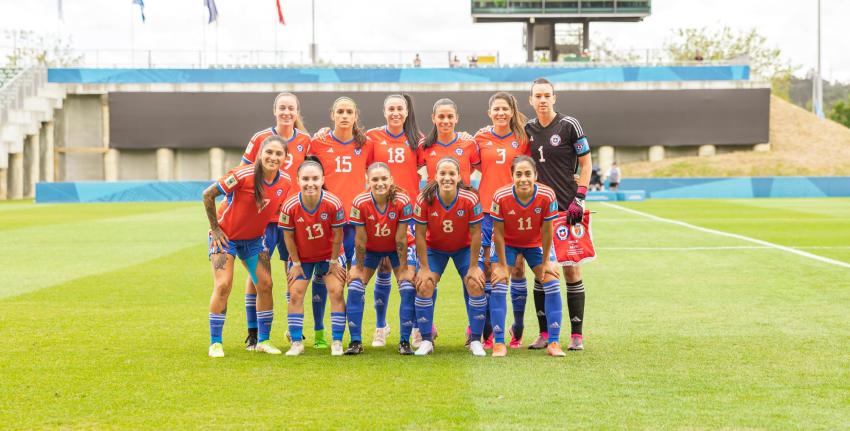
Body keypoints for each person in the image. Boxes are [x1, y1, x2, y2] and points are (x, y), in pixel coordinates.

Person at [239, 92, 323, 350]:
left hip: (293, 219)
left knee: (293, 272)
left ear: (297, 112)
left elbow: (314, 172)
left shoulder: (306, 141)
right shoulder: (260, 138)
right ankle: (253, 333)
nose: (287, 112)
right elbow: (243, 171)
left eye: (291, 108)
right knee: (257, 276)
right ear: (275, 110)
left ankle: (292, 328)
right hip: (263, 221)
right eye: (282, 108)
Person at [202, 136, 292, 357]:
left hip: (253, 240)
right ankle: (215, 343)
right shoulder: (242, 175)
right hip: (226, 238)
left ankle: (263, 340)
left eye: (278, 153)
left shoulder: (286, 182)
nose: (273, 157)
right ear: (260, 153)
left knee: (265, 283)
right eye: (269, 152)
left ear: (285, 158)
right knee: (223, 285)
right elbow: (208, 194)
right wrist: (215, 229)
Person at [525, 77, 593, 351]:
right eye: (537, 96)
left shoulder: (569, 125)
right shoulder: (526, 129)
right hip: (536, 211)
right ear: (530, 100)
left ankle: (576, 334)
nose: (542, 100)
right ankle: (544, 334)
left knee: (571, 270)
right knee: (541, 270)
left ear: (554, 98)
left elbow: (586, 163)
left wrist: (580, 198)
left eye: (547, 95)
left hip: (567, 207)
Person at [489, 156, 565, 357]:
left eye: (528, 174)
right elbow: (497, 233)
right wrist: (502, 265)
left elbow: (548, 231)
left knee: (552, 280)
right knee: (499, 281)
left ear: (536, 176)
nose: (523, 179)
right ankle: (498, 342)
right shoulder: (501, 196)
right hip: (508, 244)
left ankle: (554, 342)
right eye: (519, 174)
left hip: (536, 244)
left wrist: (548, 260)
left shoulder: (547, 195)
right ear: (512, 176)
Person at [364, 94, 422, 347]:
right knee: (383, 266)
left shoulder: (418, 140)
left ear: (407, 112)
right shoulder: (372, 138)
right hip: (380, 211)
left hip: (408, 212)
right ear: (384, 111)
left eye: (400, 109)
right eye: (391, 109)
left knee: (410, 270)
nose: (396, 113)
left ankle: (417, 327)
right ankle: (380, 326)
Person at [473, 92, 531, 349]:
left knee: (517, 268)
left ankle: (517, 328)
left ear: (512, 112)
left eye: (505, 109)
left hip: (516, 212)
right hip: (487, 212)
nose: (500, 113)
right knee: (488, 269)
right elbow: (470, 164)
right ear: (489, 113)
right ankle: (488, 331)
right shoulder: (479, 138)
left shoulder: (522, 139)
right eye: (496, 109)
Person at [412, 157, 486, 356]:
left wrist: (473, 267)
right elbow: (419, 234)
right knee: (424, 283)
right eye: (442, 174)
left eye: (451, 174)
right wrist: (425, 268)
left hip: (464, 249)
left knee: (475, 282)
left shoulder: (470, 199)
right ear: (434, 177)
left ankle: (476, 340)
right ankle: (426, 340)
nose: (447, 178)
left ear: (459, 176)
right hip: (434, 249)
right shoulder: (424, 199)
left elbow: (476, 233)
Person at [346, 162, 417, 355]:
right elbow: (360, 239)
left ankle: (404, 341)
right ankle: (355, 342)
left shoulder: (402, 201)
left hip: (398, 249)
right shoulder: (360, 202)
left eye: (384, 178)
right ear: (367, 181)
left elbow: (401, 237)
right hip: (370, 249)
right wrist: (358, 268)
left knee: (407, 287)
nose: (380, 183)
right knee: (354, 286)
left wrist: (403, 268)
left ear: (391, 180)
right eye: (375, 179)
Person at [279, 159, 348, 356]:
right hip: (302, 257)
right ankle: (296, 343)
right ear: (298, 180)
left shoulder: (333, 203)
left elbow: (338, 236)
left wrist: (334, 262)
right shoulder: (290, 205)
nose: (311, 183)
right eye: (306, 179)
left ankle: (336, 341)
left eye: (315, 179)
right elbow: (288, 237)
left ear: (322, 179)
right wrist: (296, 263)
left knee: (336, 291)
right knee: (295, 293)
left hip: (329, 256)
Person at [308, 97, 374, 268]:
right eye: (340, 112)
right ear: (332, 115)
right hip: (326, 217)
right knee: (324, 271)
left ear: (355, 116)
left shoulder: (367, 145)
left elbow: (375, 175)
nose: (344, 116)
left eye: (349, 112)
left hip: (355, 218)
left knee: (355, 271)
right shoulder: (317, 142)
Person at [417, 98, 480, 186]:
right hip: (433, 199)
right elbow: (409, 171)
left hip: (463, 199)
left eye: (450, 116)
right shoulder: (424, 145)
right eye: (441, 116)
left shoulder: (469, 142)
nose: (446, 121)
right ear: (433, 118)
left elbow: (486, 170)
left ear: (456, 118)